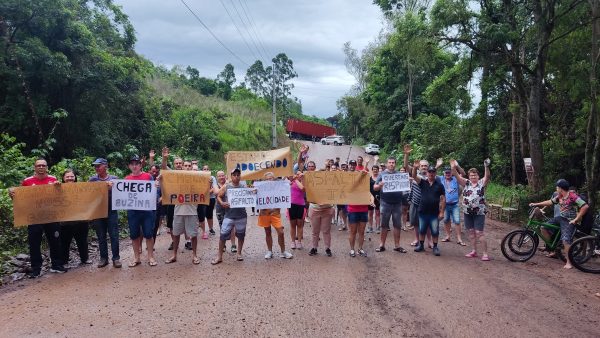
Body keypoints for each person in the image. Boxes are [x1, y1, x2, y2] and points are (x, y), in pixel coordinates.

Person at [8, 158, 67, 277]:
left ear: (47, 167)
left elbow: (60, 197)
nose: (41, 167)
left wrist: (59, 188)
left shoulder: (53, 179)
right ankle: (36, 268)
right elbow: (20, 198)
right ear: (35, 168)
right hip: (34, 217)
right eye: (38, 165)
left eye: (43, 165)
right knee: (34, 243)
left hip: (51, 216)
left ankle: (56, 265)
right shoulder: (27, 181)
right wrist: (12, 195)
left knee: (55, 241)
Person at [529, 178, 589, 269]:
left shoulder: (572, 196)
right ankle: (553, 248)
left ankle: (569, 262)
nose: (556, 189)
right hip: (560, 218)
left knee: (565, 240)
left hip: (569, 220)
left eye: (557, 187)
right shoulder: (560, 196)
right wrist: (536, 204)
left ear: (561, 188)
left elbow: (585, 206)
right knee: (543, 227)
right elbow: (550, 202)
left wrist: (576, 219)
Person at [452, 159, 491, 261]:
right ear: (469, 176)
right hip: (467, 212)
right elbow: (456, 176)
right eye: (471, 175)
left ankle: (485, 253)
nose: (473, 177)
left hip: (479, 212)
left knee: (479, 233)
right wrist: (454, 167)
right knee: (471, 232)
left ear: (478, 176)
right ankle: (474, 251)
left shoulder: (482, 183)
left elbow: (487, 176)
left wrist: (486, 166)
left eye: (475, 175)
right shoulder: (466, 183)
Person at [164, 160, 200, 265]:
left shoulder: (198, 179)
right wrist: (165, 158)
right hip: (178, 211)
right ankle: (174, 255)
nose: (188, 167)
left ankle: (194, 255)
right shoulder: (176, 178)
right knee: (175, 234)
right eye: (186, 165)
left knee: (193, 235)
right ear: (182, 167)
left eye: (190, 166)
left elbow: (204, 190)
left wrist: (209, 184)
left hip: (192, 211)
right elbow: (165, 170)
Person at [88, 158, 121, 268]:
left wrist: (113, 188)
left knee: (114, 235)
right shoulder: (92, 180)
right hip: (98, 211)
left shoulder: (114, 179)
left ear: (105, 166)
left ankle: (116, 258)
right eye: (95, 166)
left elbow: (121, 195)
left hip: (112, 210)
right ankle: (103, 258)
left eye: (99, 166)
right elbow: (88, 195)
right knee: (101, 236)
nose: (96, 168)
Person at [125, 155, 157, 267]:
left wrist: (156, 186)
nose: (134, 166)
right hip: (133, 211)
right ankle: (136, 258)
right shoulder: (126, 180)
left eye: (136, 164)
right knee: (134, 235)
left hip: (147, 211)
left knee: (148, 233)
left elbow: (154, 191)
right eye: (132, 164)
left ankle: (150, 257)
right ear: (129, 166)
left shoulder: (148, 176)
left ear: (140, 165)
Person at [212, 168, 248, 264]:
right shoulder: (226, 187)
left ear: (240, 176)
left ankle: (239, 253)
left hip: (241, 215)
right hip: (229, 216)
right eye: (234, 175)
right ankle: (219, 256)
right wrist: (222, 203)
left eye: (238, 175)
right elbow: (218, 196)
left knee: (241, 235)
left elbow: (250, 196)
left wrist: (253, 191)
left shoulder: (244, 186)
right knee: (223, 236)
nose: (236, 177)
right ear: (231, 176)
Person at [373, 157, 407, 253]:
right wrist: (379, 185)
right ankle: (382, 245)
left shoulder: (399, 175)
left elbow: (405, 184)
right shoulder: (382, 174)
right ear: (387, 164)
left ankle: (397, 245)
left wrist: (407, 181)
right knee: (384, 225)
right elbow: (374, 187)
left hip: (397, 203)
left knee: (397, 225)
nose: (391, 164)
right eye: (390, 162)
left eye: (393, 162)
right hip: (385, 203)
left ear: (395, 164)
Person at [412, 161, 445, 256]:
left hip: (434, 213)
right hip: (423, 211)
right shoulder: (422, 182)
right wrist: (414, 167)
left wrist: (442, 212)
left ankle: (435, 247)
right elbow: (414, 176)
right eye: (429, 172)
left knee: (435, 231)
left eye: (433, 172)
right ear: (427, 173)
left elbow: (443, 199)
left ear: (435, 173)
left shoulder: (439, 185)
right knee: (422, 229)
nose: (431, 174)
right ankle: (421, 245)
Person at [59, 169, 91, 267]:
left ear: (75, 177)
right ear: (63, 178)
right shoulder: (58, 189)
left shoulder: (81, 188)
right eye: (67, 176)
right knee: (64, 243)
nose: (70, 178)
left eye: (72, 176)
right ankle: (64, 262)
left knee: (82, 241)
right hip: (65, 222)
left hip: (80, 221)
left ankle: (84, 259)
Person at [258, 172, 293, 259]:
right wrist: (254, 191)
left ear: (274, 179)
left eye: (271, 178)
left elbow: (283, 198)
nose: (269, 180)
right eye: (267, 179)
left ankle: (283, 251)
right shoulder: (260, 188)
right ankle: (270, 251)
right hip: (264, 214)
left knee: (281, 232)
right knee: (267, 232)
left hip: (275, 213)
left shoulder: (279, 188)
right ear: (264, 180)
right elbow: (256, 198)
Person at [403, 144, 432, 247]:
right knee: (415, 223)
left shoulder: (431, 176)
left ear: (428, 167)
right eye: (422, 165)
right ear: (419, 166)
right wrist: (406, 155)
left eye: (425, 166)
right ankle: (416, 239)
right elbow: (406, 166)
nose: (424, 167)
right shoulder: (416, 172)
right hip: (415, 202)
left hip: (426, 204)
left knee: (427, 223)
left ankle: (430, 241)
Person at [306, 161, 334, 257]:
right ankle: (314, 247)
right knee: (315, 230)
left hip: (327, 209)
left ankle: (327, 248)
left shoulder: (331, 184)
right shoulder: (312, 184)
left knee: (326, 230)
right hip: (315, 209)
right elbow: (308, 196)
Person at [437, 164, 466, 246]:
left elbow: (463, 173)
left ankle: (459, 238)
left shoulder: (455, 179)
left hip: (454, 204)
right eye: (446, 173)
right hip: (445, 205)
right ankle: (448, 236)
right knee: (446, 220)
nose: (447, 174)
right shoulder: (441, 179)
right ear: (444, 173)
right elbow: (433, 174)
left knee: (457, 221)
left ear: (452, 173)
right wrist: (438, 165)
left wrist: (457, 166)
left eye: (449, 172)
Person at [215, 170, 237, 252]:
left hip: (230, 208)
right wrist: (226, 184)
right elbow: (217, 193)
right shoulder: (215, 185)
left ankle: (233, 245)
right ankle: (223, 245)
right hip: (219, 209)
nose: (221, 177)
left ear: (225, 176)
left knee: (232, 226)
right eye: (219, 176)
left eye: (222, 175)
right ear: (217, 177)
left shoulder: (230, 184)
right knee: (222, 228)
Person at [288, 169, 306, 249]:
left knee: (300, 224)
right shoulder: (291, 181)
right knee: (292, 225)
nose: (299, 175)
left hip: (301, 205)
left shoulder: (303, 181)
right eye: (297, 174)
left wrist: (298, 179)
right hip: (291, 205)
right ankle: (292, 241)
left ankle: (299, 241)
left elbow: (302, 188)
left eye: (300, 174)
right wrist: (292, 179)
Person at [368, 164, 381, 234]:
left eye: (376, 169)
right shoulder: (369, 178)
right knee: (370, 213)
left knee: (378, 213)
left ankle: (378, 227)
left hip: (378, 198)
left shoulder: (380, 178)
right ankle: (370, 227)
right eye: (374, 169)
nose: (375, 170)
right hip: (370, 198)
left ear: (378, 171)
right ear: (372, 170)